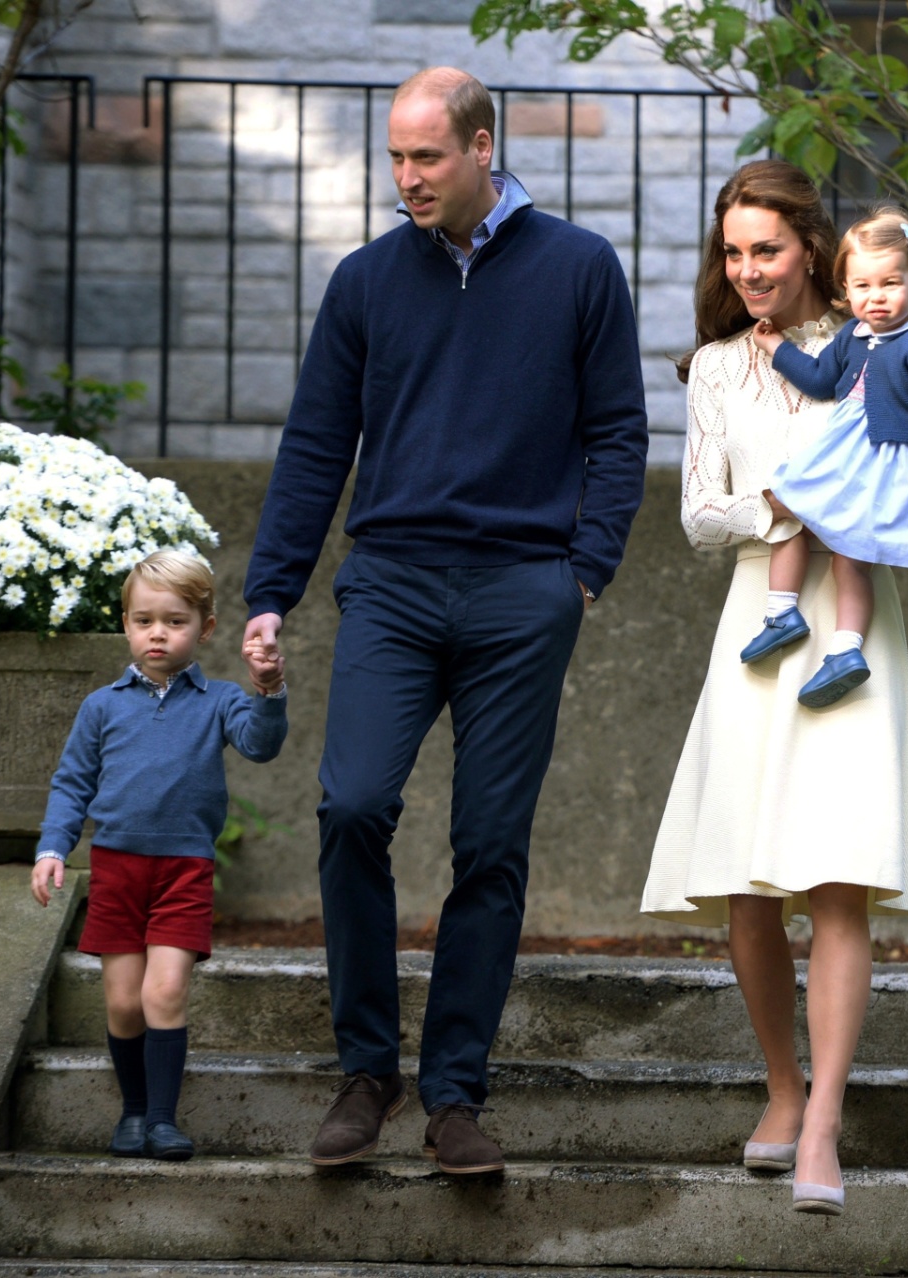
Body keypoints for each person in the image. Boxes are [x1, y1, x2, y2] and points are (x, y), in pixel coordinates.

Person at [240, 67, 648, 1176]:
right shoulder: (367, 280)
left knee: (489, 847)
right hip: (396, 582)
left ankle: (455, 1094)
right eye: (395, 160)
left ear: (480, 147)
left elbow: (618, 432)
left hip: (525, 592)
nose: (406, 179)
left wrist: (584, 573)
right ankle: (366, 1072)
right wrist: (270, 589)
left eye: (425, 158)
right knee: (352, 805)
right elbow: (318, 443)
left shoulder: (577, 268)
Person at [640, 160, 908, 1217]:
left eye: (767, 249)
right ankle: (780, 1086)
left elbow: (907, 484)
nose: (749, 269)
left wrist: (841, 508)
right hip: (757, 619)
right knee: (748, 884)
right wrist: (793, 508)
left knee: (837, 877)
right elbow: (698, 515)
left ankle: (823, 1123)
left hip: (853, 626)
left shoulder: (876, 345)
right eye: (733, 253)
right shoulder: (716, 369)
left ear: (811, 247)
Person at [30, 550, 289, 1162]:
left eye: (174, 620)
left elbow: (260, 746)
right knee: (123, 1001)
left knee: (163, 992)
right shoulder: (102, 706)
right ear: (125, 624)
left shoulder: (220, 700)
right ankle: (134, 1111)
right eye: (144, 619)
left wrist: (269, 690)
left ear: (206, 627)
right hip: (119, 868)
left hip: (185, 870)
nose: (157, 632)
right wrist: (52, 846)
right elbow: (72, 784)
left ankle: (166, 1121)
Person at [744, 205, 908, 706]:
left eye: (890, 284)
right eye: (862, 286)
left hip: (890, 459)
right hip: (851, 454)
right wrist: (776, 349)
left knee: (847, 549)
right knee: (798, 512)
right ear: (845, 289)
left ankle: (841, 644)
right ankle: (789, 616)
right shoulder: (853, 336)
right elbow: (819, 380)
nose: (876, 298)